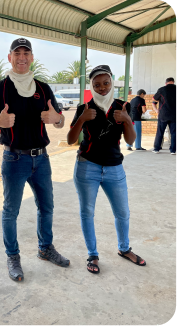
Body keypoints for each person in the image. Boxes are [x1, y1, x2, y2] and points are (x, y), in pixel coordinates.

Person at [0, 38, 70, 283]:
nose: (21, 57)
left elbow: (59, 120)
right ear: (9, 58)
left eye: (26, 53)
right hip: (14, 158)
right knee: (10, 211)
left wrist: (56, 118)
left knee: (46, 207)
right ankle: (13, 256)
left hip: (42, 159)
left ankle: (45, 248)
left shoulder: (43, 87)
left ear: (31, 57)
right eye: (16, 53)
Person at [67, 65, 146, 274]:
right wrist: (82, 119)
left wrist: (127, 120)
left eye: (106, 83)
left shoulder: (123, 106)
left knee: (123, 212)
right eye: (97, 85)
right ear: (92, 87)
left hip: (114, 169)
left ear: (112, 83)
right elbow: (70, 140)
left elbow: (130, 140)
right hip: (87, 167)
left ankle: (124, 248)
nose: (102, 88)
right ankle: (92, 254)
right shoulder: (84, 108)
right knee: (87, 212)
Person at [151, 77, 177, 154]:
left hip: (163, 115)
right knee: (174, 133)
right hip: (175, 115)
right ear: (173, 82)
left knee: (160, 132)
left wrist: (157, 109)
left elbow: (154, 99)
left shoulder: (162, 89)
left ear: (166, 83)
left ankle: (156, 149)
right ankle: (173, 150)